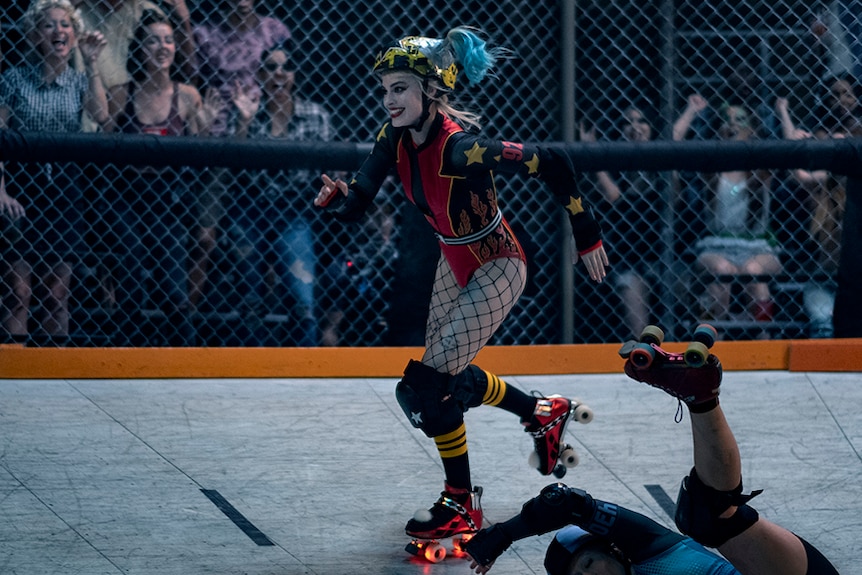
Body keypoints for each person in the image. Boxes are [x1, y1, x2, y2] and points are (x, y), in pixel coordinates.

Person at [314, 27, 608, 541]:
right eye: (385, 89)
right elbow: (360, 198)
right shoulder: (394, 137)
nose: (389, 99)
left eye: (400, 87)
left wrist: (586, 234)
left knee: (424, 387)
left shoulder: (462, 149)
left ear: (430, 91)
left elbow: (555, 161)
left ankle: (461, 504)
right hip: (452, 262)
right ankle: (542, 411)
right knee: (441, 381)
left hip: (499, 264)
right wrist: (340, 197)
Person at [464, 337, 840, 575]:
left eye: (590, 564)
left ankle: (702, 399)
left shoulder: (653, 548)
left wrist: (503, 534)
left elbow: (563, 503)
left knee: (706, 516)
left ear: (617, 552)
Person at [0, 0, 108, 345]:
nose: (58, 31)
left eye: (66, 25)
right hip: (20, 187)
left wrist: (92, 64)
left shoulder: (78, 82)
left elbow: (102, 115)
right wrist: (0, 191)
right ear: (35, 35)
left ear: (74, 36)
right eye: (49, 25)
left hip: (62, 190)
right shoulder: (14, 80)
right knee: (18, 291)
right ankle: (14, 367)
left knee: (56, 293)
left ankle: (53, 374)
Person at [109, 11, 217, 345]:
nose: (162, 46)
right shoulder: (121, 93)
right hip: (127, 194)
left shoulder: (187, 95)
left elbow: (202, 148)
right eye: (153, 40)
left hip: (167, 197)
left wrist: (210, 123)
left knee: (174, 289)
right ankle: (124, 359)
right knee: (131, 277)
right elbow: (104, 136)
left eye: (168, 40)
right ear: (139, 47)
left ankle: (182, 360)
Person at [224, 41, 334, 346]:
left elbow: (328, 170)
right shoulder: (248, 110)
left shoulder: (315, 115)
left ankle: (305, 364)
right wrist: (244, 122)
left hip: (294, 210)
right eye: (270, 67)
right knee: (250, 296)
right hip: (251, 206)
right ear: (260, 73)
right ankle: (251, 362)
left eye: (286, 67)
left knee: (302, 298)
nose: (279, 73)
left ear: (296, 74)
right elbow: (234, 167)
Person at [187, 0, 291, 317]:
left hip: (261, 135)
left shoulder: (274, 30)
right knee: (205, 239)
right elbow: (189, 73)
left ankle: (267, 318)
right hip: (218, 141)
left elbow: (287, 74)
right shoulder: (206, 33)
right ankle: (186, 320)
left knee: (267, 237)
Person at [674, 99, 782, 323]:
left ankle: (764, 341)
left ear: (751, 130)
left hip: (756, 246)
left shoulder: (762, 171)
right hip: (717, 245)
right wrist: (691, 111)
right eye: (726, 120)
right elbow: (672, 144)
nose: (732, 125)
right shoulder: (711, 170)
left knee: (754, 273)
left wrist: (783, 112)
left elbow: (793, 150)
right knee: (723, 273)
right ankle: (714, 341)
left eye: (740, 120)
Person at [578, 106, 669, 340]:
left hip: (666, 255)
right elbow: (615, 198)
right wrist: (591, 147)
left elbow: (674, 191)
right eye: (629, 122)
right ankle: (644, 350)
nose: (635, 127)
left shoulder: (662, 162)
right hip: (631, 257)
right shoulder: (618, 163)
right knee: (631, 286)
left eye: (641, 121)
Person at [74, 0, 195, 132]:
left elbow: (181, 66)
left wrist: (184, 19)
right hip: (88, 109)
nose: (162, 46)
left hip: (134, 101)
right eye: (153, 41)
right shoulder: (77, 13)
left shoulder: (145, 10)